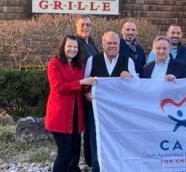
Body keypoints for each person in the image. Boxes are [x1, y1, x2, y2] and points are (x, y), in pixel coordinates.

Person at [84, 31, 137, 171]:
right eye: (109, 43)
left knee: (120, 141)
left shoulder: (128, 61)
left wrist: (130, 77)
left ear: (119, 45)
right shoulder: (92, 60)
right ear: (103, 44)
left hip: (120, 113)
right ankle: (98, 169)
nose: (112, 46)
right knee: (97, 142)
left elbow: (137, 87)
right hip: (97, 112)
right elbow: (85, 83)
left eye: (115, 43)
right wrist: (87, 94)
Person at [45, 35, 97, 172]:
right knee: (64, 153)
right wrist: (81, 83)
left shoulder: (79, 64)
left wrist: (88, 91)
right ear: (63, 47)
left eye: (75, 47)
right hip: (60, 116)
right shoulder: (54, 64)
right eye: (69, 46)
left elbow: (83, 85)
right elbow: (58, 87)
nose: (72, 49)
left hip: (76, 114)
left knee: (74, 152)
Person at [75, 15, 99, 168]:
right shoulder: (75, 43)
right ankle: (86, 159)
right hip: (82, 90)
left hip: (92, 91)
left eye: (88, 24)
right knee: (85, 128)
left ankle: (90, 159)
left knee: (91, 127)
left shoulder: (92, 42)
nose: (86, 27)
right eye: (83, 24)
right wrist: (85, 91)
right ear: (76, 26)